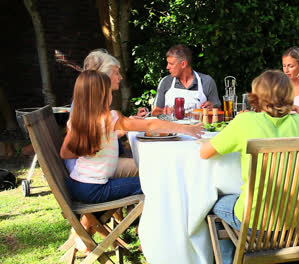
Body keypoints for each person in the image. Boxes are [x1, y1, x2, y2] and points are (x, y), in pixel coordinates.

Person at [61, 71, 203, 252]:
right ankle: (151, 240)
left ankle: (95, 230)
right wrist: (186, 129)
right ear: (104, 95)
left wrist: (87, 147)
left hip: (76, 184)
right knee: (153, 183)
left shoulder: (76, 121)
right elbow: (150, 125)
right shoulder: (110, 118)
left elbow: (65, 153)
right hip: (95, 188)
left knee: (146, 176)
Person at [200, 70, 299, 264]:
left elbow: (204, 153)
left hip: (255, 220)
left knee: (210, 202)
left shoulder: (245, 121)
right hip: (293, 220)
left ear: (256, 95)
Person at [151, 44, 221, 115]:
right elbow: (154, 113)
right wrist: (164, 112)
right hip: (171, 126)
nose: (167, 67)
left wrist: (212, 109)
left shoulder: (207, 81)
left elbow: (219, 113)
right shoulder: (165, 82)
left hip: (198, 126)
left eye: (171, 64)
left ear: (183, 64)